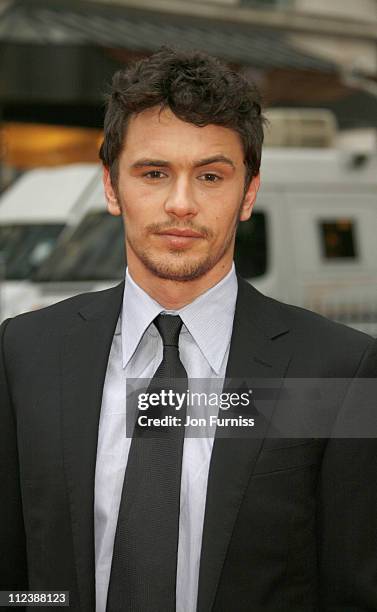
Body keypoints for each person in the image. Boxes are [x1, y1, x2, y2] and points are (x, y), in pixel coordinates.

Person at [1, 47, 377, 612]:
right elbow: (20, 583)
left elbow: (350, 588)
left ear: (247, 193)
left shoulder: (337, 370)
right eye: (154, 173)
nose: (181, 204)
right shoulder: (25, 354)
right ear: (111, 186)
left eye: (209, 175)